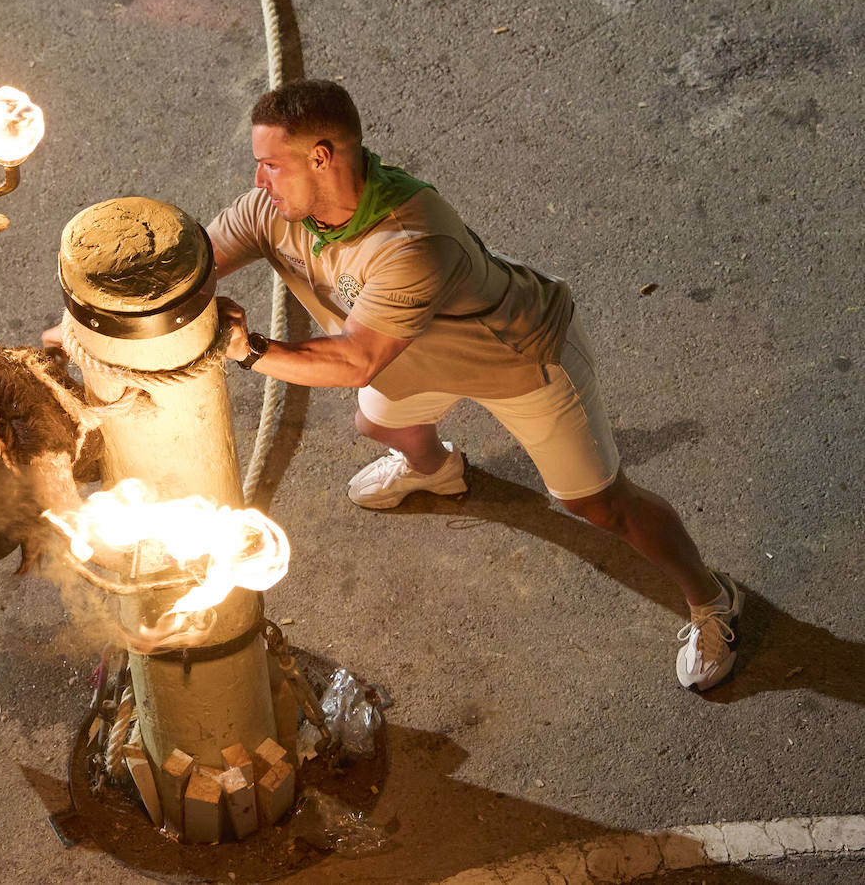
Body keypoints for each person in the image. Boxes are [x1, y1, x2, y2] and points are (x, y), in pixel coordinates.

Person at [207, 79, 742, 692]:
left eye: (271, 165)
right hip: (410, 358)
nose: (258, 182)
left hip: (519, 360)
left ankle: (711, 600)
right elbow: (196, 260)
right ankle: (436, 468)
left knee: (598, 506)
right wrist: (90, 322)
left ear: (322, 157)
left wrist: (248, 350)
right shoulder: (271, 212)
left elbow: (355, 361)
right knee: (378, 422)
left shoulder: (411, 239)